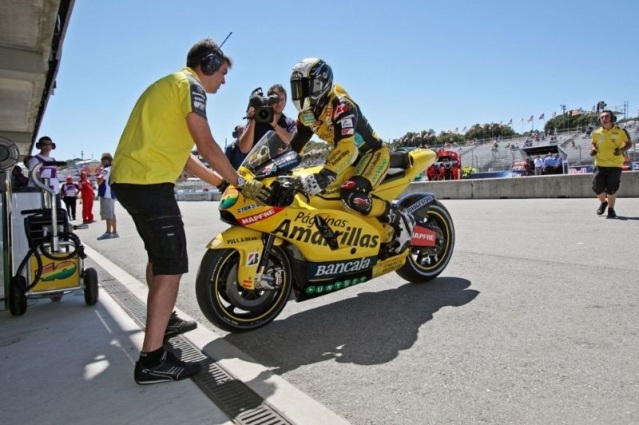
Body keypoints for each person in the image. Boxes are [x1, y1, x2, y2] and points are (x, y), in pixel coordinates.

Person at [110, 38, 269, 385]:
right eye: (223, 72)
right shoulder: (191, 87)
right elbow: (207, 145)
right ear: (209, 64)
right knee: (171, 266)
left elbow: (184, 156)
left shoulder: (168, 86)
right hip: (149, 183)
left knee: (159, 256)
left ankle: (163, 322)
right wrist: (241, 183)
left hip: (131, 180)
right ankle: (152, 360)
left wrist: (219, 183)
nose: (224, 81)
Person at [288, 57, 413, 255]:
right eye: (297, 88)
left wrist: (325, 174)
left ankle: (398, 218)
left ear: (321, 84)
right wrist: (279, 166)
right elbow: (295, 146)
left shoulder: (342, 106)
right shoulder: (307, 114)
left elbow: (346, 148)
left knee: (352, 195)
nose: (300, 93)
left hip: (372, 154)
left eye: (305, 87)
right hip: (351, 158)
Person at [590, 110, 631, 218]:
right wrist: (594, 149)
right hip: (600, 163)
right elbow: (593, 143)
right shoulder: (596, 132)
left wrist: (621, 150)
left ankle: (611, 210)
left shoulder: (621, 131)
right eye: (602, 117)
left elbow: (629, 144)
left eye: (606, 116)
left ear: (612, 118)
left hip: (615, 164)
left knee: (611, 189)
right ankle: (604, 202)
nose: (604, 119)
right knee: (597, 187)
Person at [238, 83, 296, 158]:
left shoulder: (289, 123)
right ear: (269, 101)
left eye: (282, 100)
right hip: (259, 166)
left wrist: (275, 125)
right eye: (276, 100)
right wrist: (252, 120)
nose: (279, 103)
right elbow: (244, 149)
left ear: (286, 102)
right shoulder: (257, 121)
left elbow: (292, 142)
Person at [96, 153, 118, 240]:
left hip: (106, 193)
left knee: (108, 214)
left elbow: (100, 180)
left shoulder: (105, 169)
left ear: (106, 160)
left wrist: (98, 182)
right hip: (111, 194)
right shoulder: (113, 169)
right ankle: (115, 231)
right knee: (112, 213)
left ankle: (108, 232)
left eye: (102, 160)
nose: (102, 161)